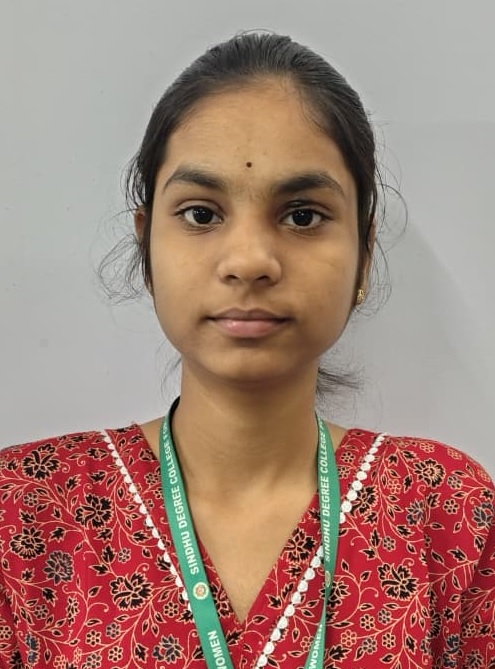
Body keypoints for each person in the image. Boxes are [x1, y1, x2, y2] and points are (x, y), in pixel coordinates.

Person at [0, 31, 493, 669]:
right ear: (147, 247)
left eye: (303, 215)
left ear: (365, 254)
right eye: (202, 215)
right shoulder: (24, 513)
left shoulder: (446, 512)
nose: (250, 260)